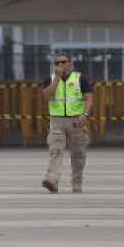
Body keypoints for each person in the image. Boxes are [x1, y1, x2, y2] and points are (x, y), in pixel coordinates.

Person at [40, 51, 93, 194]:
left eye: (63, 62)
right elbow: (45, 96)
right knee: (55, 150)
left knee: (78, 154)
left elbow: (88, 97)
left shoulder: (80, 78)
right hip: (56, 121)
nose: (60, 65)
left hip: (76, 120)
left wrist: (85, 115)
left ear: (70, 63)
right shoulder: (50, 79)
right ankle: (51, 180)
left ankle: (77, 183)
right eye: (57, 63)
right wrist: (57, 79)